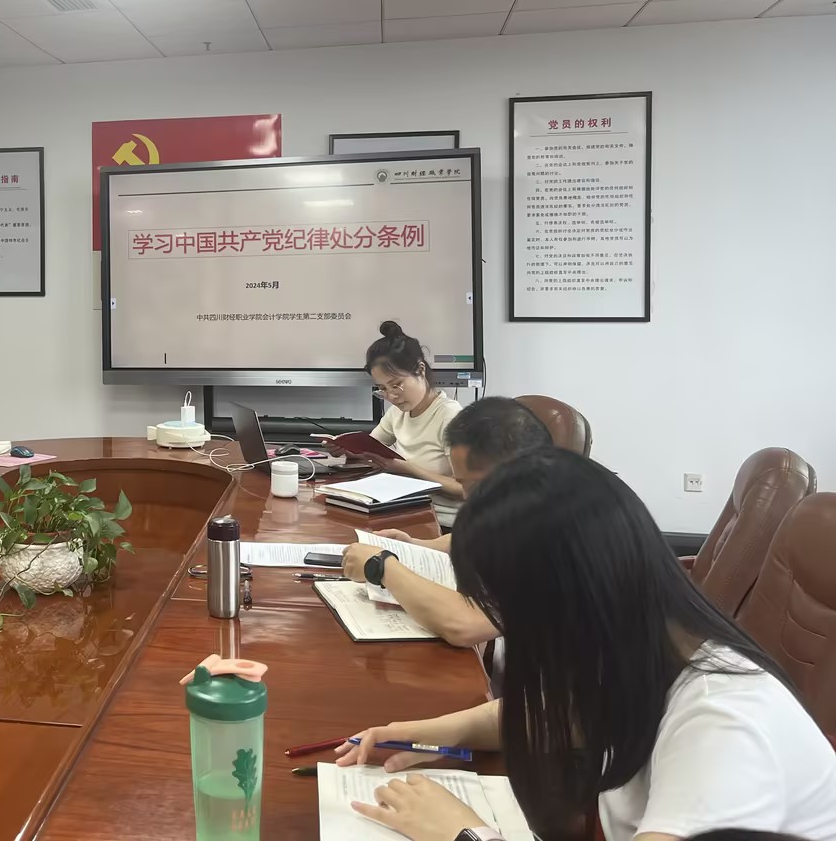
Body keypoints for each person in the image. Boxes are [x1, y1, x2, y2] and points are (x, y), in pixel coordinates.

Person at [335, 449, 836, 841]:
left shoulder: (723, 725)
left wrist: (463, 833)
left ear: (574, 601)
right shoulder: (647, 646)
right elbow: (568, 710)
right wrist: (430, 733)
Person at [340, 397, 553, 646]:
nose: (467, 496)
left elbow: (466, 625)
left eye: (473, 485)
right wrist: (416, 546)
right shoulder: (526, 500)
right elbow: (480, 537)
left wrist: (381, 566)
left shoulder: (558, 527)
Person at [331, 321, 465, 528]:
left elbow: (466, 490)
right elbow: (371, 447)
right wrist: (347, 449)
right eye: (382, 389)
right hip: (403, 510)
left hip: (442, 524)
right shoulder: (398, 412)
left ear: (420, 370)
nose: (391, 396)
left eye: (396, 385)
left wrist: (408, 469)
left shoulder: (450, 416)